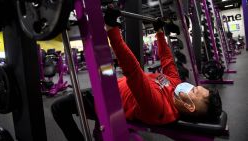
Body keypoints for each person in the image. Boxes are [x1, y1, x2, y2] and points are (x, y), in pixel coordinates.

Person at [51, 7, 222, 141]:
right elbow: (168, 61)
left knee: (58, 107)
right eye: (195, 86)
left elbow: (133, 70)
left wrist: (112, 28)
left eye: (194, 91)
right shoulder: (177, 88)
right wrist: (160, 33)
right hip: (113, 87)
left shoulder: (159, 107)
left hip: (104, 101)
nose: (190, 86)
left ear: (190, 106)